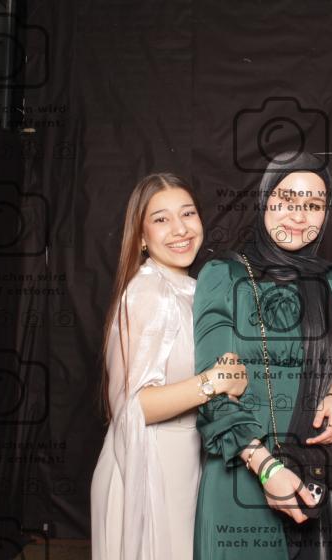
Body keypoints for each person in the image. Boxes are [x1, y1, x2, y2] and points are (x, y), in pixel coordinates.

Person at [192, 152, 332, 560]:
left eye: (313, 205)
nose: (298, 216)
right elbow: (211, 391)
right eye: (286, 200)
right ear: (265, 199)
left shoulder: (331, 280)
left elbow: (323, 362)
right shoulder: (225, 275)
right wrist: (266, 469)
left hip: (317, 469)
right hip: (245, 468)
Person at [90, 173, 247, 560]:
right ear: (141, 238)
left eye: (187, 213)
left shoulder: (190, 290)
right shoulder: (150, 292)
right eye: (161, 219)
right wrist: (214, 381)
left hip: (183, 465)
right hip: (150, 469)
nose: (180, 229)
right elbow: (135, 407)